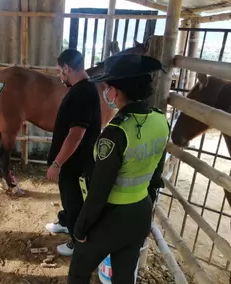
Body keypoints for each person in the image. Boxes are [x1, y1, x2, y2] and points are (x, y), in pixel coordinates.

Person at [68, 54, 170, 284]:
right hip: (141, 212)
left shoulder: (115, 132)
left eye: (108, 87)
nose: (105, 92)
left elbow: (100, 190)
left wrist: (81, 228)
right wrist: (148, 206)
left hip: (111, 217)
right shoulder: (161, 120)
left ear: (117, 91)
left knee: (79, 272)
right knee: (124, 276)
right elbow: (156, 174)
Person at [46, 49, 101, 256]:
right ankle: (66, 221)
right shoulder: (82, 90)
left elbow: (76, 134)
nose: (60, 77)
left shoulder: (83, 92)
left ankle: (77, 241)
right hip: (72, 160)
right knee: (67, 197)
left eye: (61, 72)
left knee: (74, 199)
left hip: (75, 162)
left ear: (68, 68)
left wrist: (57, 163)